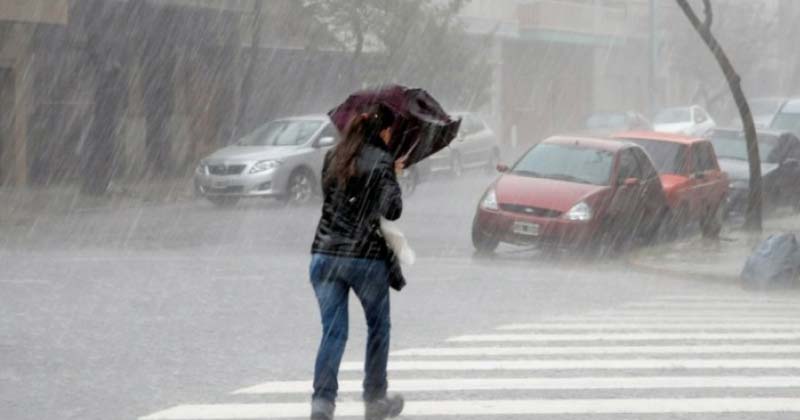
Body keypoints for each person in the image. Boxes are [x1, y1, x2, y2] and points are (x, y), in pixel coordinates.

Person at [309, 103, 405, 420]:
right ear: (384, 131)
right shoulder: (381, 159)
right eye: (391, 132)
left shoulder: (333, 156)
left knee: (333, 333)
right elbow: (392, 210)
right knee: (378, 327)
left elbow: (333, 197)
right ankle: (374, 399)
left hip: (325, 255)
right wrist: (392, 176)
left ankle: (322, 403)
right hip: (364, 258)